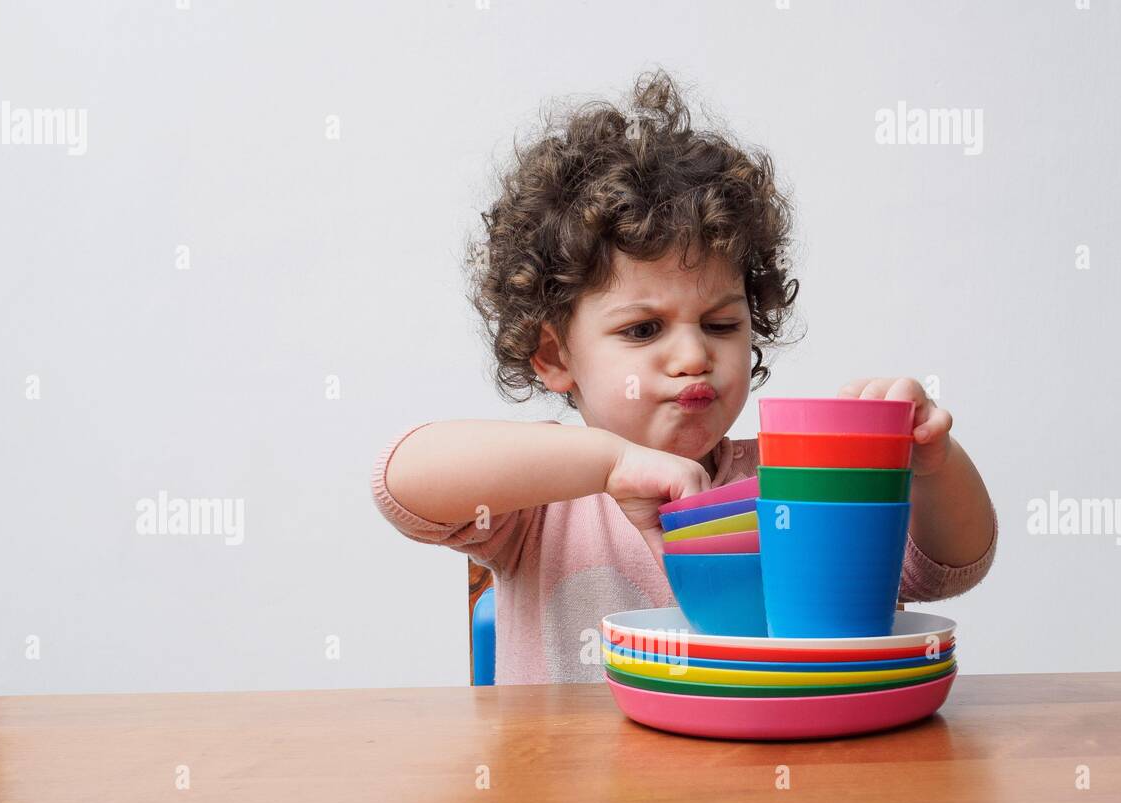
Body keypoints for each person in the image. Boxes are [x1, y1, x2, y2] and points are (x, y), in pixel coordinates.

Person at [372, 70, 997, 684]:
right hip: (567, 788)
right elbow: (403, 482)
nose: (694, 355)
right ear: (555, 356)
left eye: (721, 324)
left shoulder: (793, 487)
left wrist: (932, 463)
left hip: (758, 779)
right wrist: (610, 464)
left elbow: (952, 565)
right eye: (644, 330)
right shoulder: (541, 498)